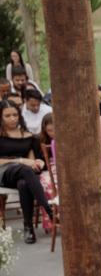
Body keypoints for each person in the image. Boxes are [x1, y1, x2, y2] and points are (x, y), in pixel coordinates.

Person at [0, 99, 54, 243]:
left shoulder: (27, 135)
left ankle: (28, 227)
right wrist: (21, 161)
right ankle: (48, 209)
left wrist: (36, 162)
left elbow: (30, 160)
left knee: (24, 183)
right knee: (24, 170)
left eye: (15, 115)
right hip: (3, 173)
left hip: (23, 174)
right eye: (7, 116)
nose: (12, 119)